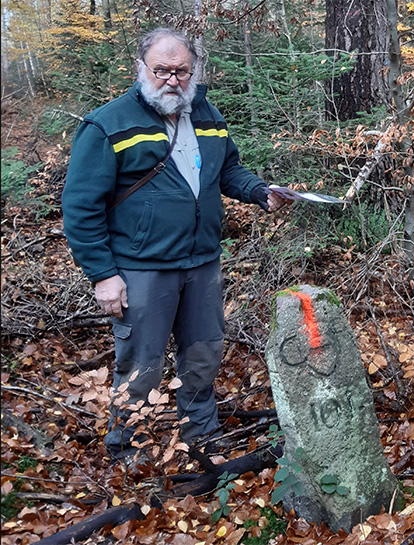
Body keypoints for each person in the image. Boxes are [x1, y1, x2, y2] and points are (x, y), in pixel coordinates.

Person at [62, 27, 290, 461]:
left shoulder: (206, 114)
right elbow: (80, 207)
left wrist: (261, 192)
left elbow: (229, 171)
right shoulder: (108, 124)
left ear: (193, 71)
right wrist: (103, 276)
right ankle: (128, 446)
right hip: (142, 267)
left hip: (202, 261)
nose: (172, 80)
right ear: (141, 69)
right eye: (162, 70)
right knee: (140, 363)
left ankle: (201, 435)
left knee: (204, 352)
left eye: (182, 71)